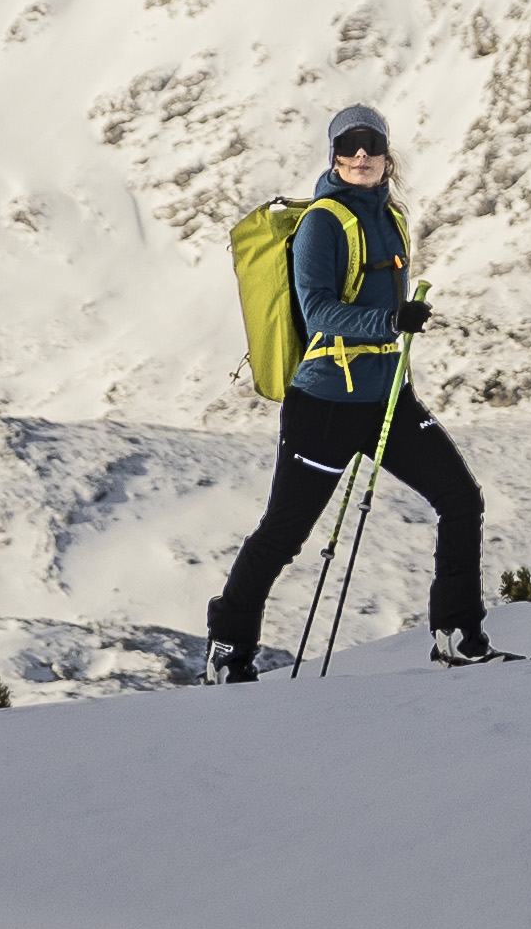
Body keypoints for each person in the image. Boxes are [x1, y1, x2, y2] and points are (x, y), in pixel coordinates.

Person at [207, 106, 495, 673]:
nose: (360, 155)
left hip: (389, 401)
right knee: (285, 533)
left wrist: (397, 324)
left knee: (461, 500)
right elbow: (318, 311)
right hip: (325, 406)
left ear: (388, 155)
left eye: (371, 144)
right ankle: (228, 649)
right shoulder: (322, 222)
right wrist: (390, 322)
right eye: (348, 146)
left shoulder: (393, 218)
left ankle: (459, 636)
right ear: (334, 156)